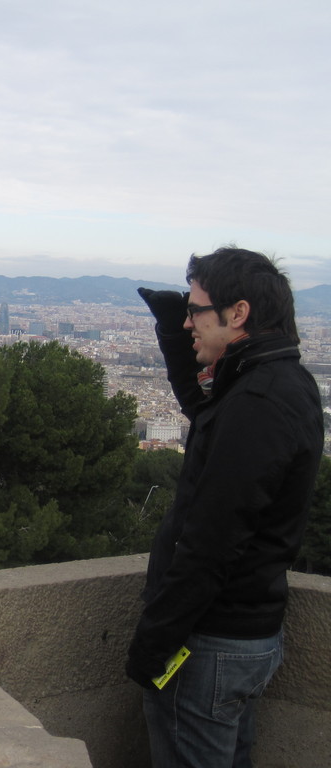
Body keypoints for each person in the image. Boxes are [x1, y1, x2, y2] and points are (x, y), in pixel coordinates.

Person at [127, 247, 324, 768]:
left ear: (237, 314)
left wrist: (154, 642)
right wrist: (173, 330)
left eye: (196, 310)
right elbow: (204, 411)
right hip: (244, 636)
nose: (190, 320)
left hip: (210, 641)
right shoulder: (280, 383)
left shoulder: (258, 404)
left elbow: (211, 542)